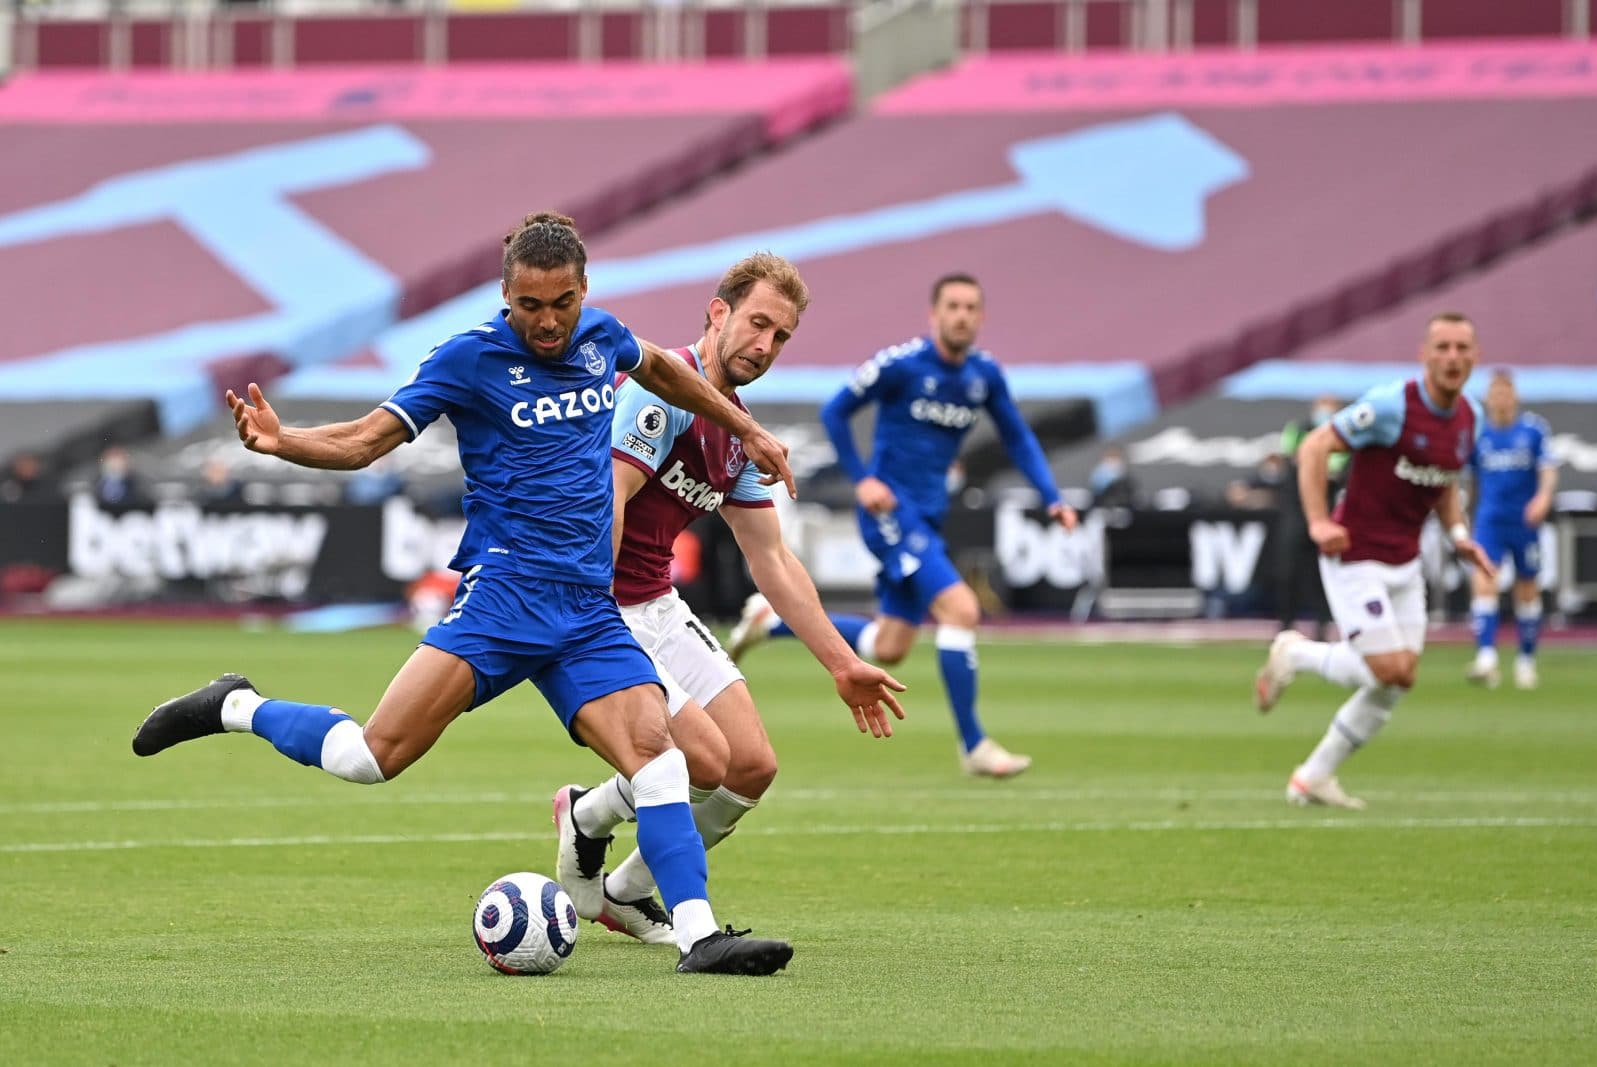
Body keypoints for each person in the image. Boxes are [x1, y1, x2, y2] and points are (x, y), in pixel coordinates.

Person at [129, 212, 813, 976]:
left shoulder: (602, 337)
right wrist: (282, 441)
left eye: (562, 303)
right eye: (530, 305)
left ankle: (699, 936)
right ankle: (236, 704)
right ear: (506, 295)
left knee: (659, 761)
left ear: (584, 292)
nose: (548, 321)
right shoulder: (469, 358)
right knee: (370, 756)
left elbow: (661, 368)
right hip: (504, 600)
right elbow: (367, 439)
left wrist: (743, 428)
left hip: (588, 611)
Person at [554, 252, 906, 944]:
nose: (765, 345)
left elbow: (771, 558)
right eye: (757, 324)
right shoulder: (660, 391)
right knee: (702, 762)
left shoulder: (738, 430)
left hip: (658, 602)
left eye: (781, 336)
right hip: (602, 605)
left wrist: (841, 663)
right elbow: (611, 497)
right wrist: (594, 612)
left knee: (750, 767)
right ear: (718, 313)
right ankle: (590, 819)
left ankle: (623, 885)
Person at [728, 272, 1076, 778]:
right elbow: (836, 411)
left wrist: (1052, 497)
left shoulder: (983, 375)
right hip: (889, 513)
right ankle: (974, 745)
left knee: (889, 647)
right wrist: (863, 479)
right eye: (952, 306)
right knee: (961, 609)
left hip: (928, 518)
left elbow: (1018, 437)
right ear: (934, 314)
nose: (961, 316)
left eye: (971, 308)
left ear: (980, 317)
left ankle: (771, 621)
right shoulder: (902, 365)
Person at [1254, 312, 1494, 809]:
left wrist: (1458, 535)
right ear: (1424, 355)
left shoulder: (1470, 417)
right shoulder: (1392, 405)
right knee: (1389, 668)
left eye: (1462, 348)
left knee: (1399, 680)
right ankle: (1297, 654)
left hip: (1406, 561)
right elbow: (1315, 447)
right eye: (1443, 347)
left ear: (1476, 356)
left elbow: (1444, 479)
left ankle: (1312, 778)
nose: (1452, 357)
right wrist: (1319, 521)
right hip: (1355, 554)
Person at [1464, 369, 1558, 690]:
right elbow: (1470, 478)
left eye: (1506, 393)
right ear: (1488, 399)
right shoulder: (1478, 434)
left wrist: (1543, 498)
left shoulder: (1532, 430)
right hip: (1490, 520)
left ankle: (1526, 660)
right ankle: (1486, 657)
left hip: (1524, 521)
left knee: (1527, 587)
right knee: (1483, 578)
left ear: (1515, 397)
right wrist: (1465, 516)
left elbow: (1548, 468)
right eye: (1496, 394)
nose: (1501, 400)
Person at [1274, 396, 1348, 637]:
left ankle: (1322, 625)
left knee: (1322, 573)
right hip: (1296, 513)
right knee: (1288, 571)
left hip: (1325, 514)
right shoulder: (1297, 430)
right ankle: (1285, 624)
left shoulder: (1341, 436)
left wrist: (1312, 463)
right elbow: (1292, 459)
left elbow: (1335, 469)